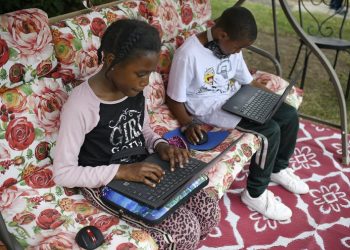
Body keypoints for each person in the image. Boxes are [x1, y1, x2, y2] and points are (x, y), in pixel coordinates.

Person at [53, 19, 220, 249]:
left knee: (208, 209)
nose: (146, 82)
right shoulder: (81, 105)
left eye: (150, 74)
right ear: (111, 61)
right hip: (106, 182)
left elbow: (144, 131)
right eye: (141, 74)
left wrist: (161, 146)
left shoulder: (132, 88)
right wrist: (123, 171)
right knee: (185, 228)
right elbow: (63, 173)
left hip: (142, 168)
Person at [166, 6, 309, 221]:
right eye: (238, 47)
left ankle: (277, 169)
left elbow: (247, 81)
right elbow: (174, 98)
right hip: (212, 109)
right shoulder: (188, 54)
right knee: (269, 130)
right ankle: (255, 194)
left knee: (287, 114)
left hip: (237, 97)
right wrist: (187, 123)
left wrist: (274, 98)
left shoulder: (230, 47)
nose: (238, 51)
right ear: (223, 34)